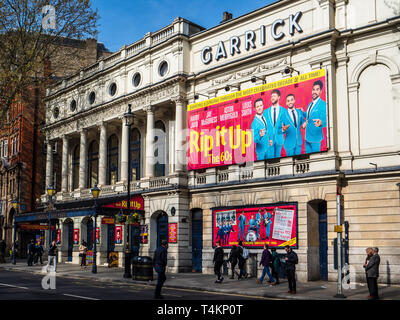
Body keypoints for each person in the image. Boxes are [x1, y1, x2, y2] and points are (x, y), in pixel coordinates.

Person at [303, 80, 327, 154]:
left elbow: (326, 119)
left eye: (317, 89)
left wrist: (321, 122)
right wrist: (302, 112)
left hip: (316, 138)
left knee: (316, 160)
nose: (314, 92)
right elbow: (309, 117)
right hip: (307, 137)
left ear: (320, 91)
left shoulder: (323, 104)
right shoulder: (310, 104)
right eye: (313, 89)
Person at [263, 89, 287, 158]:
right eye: (272, 96)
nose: (272, 98)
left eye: (274, 96)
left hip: (279, 140)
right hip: (269, 140)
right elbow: (263, 127)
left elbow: (286, 126)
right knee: (270, 160)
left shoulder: (284, 111)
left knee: (279, 160)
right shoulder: (265, 112)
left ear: (279, 97)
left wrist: (283, 130)